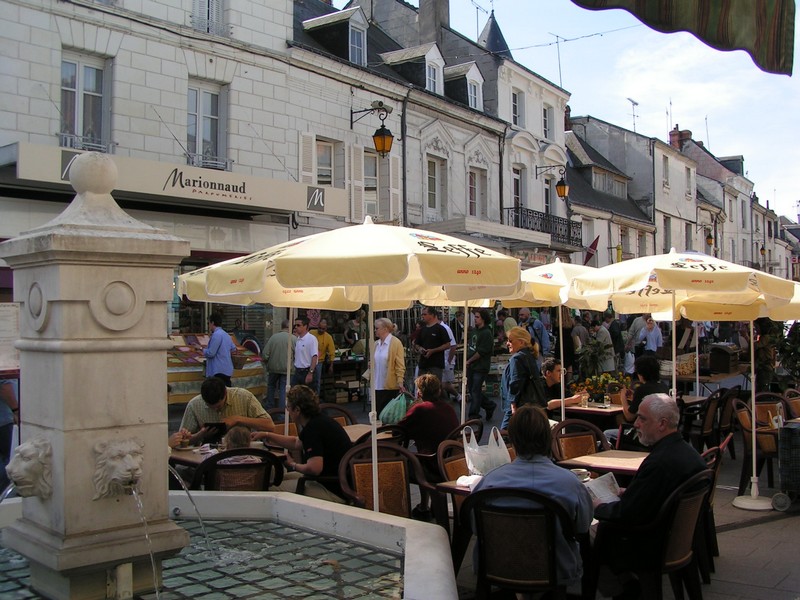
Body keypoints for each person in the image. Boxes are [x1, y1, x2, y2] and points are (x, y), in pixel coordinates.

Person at [473, 405, 593, 589]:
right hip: (555, 570)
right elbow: (583, 527)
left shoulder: (489, 482)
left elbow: (475, 527)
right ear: (548, 437)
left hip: (497, 565)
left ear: (512, 439)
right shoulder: (570, 484)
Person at [593, 394, 706, 580]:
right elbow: (659, 495)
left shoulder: (660, 462)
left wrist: (598, 507)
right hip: (673, 540)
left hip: (649, 545)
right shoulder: (685, 452)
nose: (636, 423)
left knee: (589, 534)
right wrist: (632, 492)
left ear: (662, 424)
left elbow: (626, 514)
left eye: (642, 418)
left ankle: (613, 587)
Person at [252, 385, 352, 503]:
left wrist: (293, 465)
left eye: (288, 407)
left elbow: (314, 468)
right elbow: (296, 443)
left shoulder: (313, 429)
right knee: (280, 479)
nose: (287, 411)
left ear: (297, 410)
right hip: (339, 482)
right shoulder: (319, 420)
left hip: (332, 489)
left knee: (270, 489)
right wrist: (267, 435)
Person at [398, 374, 459, 518]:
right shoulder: (448, 408)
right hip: (450, 461)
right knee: (418, 459)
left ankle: (409, 508)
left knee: (400, 463)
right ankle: (424, 506)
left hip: (431, 464)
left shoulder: (420, 410)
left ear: (419, 392)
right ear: (439, 391)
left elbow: (399, 429)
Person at [174, 376, 275, 447]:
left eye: (218, 406)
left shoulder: (244, 397)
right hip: (207, 457)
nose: (216, 410)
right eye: (210, 407)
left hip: (241, 451)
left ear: (225, 393)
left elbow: (269, 425)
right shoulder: (194, 404)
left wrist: (238, 419)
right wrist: (201, 435)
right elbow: (180, 441)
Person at [604, 354, 668, 447]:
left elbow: (629, 416)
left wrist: (623, 398)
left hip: (642, 434)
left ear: (640, 373)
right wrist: (634, 397)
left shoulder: (642, 389)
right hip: (660, 432)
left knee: (607, 434)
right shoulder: (663, 386)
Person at [499, 327, 540, 430]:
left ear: (521, 342)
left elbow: (516, 382)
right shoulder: (529, 356)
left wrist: (513, 405)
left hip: (518, 406)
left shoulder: (517, 358)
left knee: (504, 437)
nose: (507, 343)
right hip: (527, 405)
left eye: (510, 341)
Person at [465, 308, 497, 421]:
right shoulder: (474, 331)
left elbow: (481, 352)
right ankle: (489, 405)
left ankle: (474, 414)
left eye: (477, 317)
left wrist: (469, 361)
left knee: (475, 390)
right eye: (475, 317)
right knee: (474, 390)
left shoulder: (486, 333)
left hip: (480, 366)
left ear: (483, 319)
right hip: (472, 365)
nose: (475, 319)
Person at [373, 317, 406, 414]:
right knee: (378, 413)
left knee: (388, 414)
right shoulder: (376, 344)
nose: (375, 330)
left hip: (390, 385)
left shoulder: (396, 343)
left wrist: (400, 381)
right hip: (376, 384)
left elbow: (400, 364)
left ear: (385, 329)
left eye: (377, 328)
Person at [261, 320, 296, 409]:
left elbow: (265, 354)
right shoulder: (293, 338)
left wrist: (267, 362)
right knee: (283, 390)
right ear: (289, 327)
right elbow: (297, 355)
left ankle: (270, 407)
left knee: (271, 386)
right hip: (287, 369)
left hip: (273, 368)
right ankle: (281, 412)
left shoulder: (273, 338)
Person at [412, 306, 451, 381]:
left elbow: (447, 344)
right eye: (422, 315)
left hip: (436, 365)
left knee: (435, 387)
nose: (423, 316)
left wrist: (433, 350)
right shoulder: (422, 330)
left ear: (432, 315)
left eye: (425, 314)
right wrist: (420, 349)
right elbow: (417, 344)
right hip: (423, 364)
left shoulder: (440, 329)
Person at [202, 312, 236, 386]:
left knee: (217, 393)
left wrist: (202, 350)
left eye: (208, 323)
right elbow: (233, 348)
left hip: (218, 370)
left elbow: (211, 353)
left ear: (212, 323)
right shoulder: (226, 334)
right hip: (227, 369)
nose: (208, 326)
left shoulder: (216, 335)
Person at [0, 379, 20, 493]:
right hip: (4, 421)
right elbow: (4, 386)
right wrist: (16, 410)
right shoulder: (6, 362)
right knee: (8, 461)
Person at [291, 316, 318, 389]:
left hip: (306, 371)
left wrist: (310, 373)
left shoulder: (311, 339)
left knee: (307, 395)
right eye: (295, 325)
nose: (296, 327)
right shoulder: (298, 339)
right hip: (297, 371)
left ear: (305, 326)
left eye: (298, 325)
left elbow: (314, 356)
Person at [312, 319, 336, 397]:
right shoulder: (311, 333)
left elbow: (332, 351)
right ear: (317, 327)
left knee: (317, 381)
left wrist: (331, 365)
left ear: (326, 329)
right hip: (309, 360)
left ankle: (316, 397)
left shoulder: (328, 337)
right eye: (319, 328)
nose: (321, 330)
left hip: (319, 361)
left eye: (323, 329)